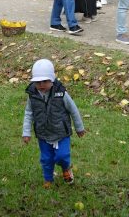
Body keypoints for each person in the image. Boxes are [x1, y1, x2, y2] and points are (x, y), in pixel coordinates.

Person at [21, 59, 86, 188]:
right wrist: (26, 132)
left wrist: (79, 127)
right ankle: (48, 179)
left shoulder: (61, 93)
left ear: (52, 79)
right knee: (46, 159)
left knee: (62, 156)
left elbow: (73, 109)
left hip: (61, 133)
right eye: (38, 82)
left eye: (45, 81)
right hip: (43, 133)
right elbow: (29, 113)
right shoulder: (32, 95)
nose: (41, 85)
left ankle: (66, 167)